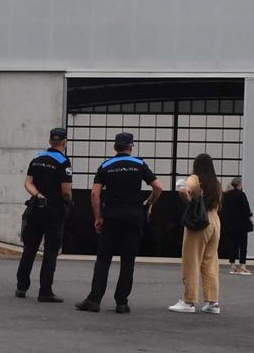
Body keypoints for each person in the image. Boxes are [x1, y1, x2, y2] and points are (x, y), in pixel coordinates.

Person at [76, 132, 161, 314]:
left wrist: (98, 217)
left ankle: (94, 299)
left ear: (115, 147)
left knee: (103, 258)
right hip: (133, 216)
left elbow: (94, 194)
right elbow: (158, 187)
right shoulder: (139, 164)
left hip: (112, 217)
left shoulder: (106, 165)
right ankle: (122, 302)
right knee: (128, 260)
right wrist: (149, 203)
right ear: (131, 147)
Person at [14, 127, 73, 302]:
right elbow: (66, 191)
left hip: (36, 207)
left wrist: (38, 195)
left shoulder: (37, 158)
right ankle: (45, 291)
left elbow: (28, 183)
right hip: (54, 211)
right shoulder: (64, 162)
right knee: (50, 251)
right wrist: (69, 202)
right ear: (64, 142)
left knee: (29, 249)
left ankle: (21, 286)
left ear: (50, 141)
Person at [171, 153, 224, 314]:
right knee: (210, 261)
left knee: (192, 260)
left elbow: (182, 190)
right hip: (215, 221)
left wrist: (191, 203)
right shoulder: (216, 183)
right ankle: (212, 302)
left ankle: (189, 301)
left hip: (199, 221)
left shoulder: (195, 178)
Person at [220, 176, 254, 275]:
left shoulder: (226, 195)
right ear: (239, 184)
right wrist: (252, 221)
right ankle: (243, 266)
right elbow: (246, 209)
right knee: (243, 245)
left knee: (232, 245)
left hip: (230, 224)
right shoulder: (241, 194)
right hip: (241, 224)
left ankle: (233, 266)